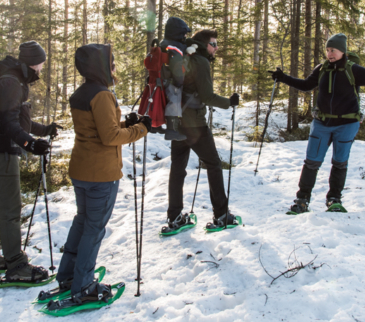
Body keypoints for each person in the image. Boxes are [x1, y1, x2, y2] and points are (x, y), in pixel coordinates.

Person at [43, 43, 150, 308]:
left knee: (82, 222)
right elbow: (110, 136)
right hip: (100, 174)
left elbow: (98, 128)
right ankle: (84, 286)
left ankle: (68, 277)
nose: (114, 68)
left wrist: (130, 123)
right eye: (111, 63)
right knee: (93, 228)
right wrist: (141, 129)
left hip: (82, 169)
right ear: (102, 67)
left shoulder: (82, 92)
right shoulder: (102, 95)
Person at [269, 33, 365, 213]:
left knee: (340, 162)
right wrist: (283, 77)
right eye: (327, 50)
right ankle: (302, 200)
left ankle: (334, 199)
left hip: (347, 125)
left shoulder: (354, 70)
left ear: (342, 51)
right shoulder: (321, 69)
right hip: (322, 123)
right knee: (312, 161)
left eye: (333, 50)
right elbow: (306, 85)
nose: (330, 54)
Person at [0, 41, 62, 282]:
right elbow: (10, 125)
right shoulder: (12, 83)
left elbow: (14, 119)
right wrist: (31, 144)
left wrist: (43, 131)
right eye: (41, 64)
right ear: (33, 63)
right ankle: (16, 266)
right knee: (10, 211)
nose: (41, 69)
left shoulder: (6, 79)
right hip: (3, 154)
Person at [163, 29, 241, 232]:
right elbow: (207, 96)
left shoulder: (185, 57)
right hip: (195, 125)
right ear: (204, 44)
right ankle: (222, 215)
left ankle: (174, 218)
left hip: (176, 121)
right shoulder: (200, 62)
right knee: (214, 164)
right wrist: (229, 102)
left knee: (177, 169)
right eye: (214, 44)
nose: (216, 48)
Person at [159, 16, 191, 142]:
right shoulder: (174, 47)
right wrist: (179, 81)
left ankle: (159, 125)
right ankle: (172, 130)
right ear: (177, 33)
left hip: (163, 78)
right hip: (171, 80)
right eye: (183, 33)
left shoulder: (165, 43)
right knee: (175, 100)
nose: (185, 36)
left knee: (165, 101)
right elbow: (176, 65)